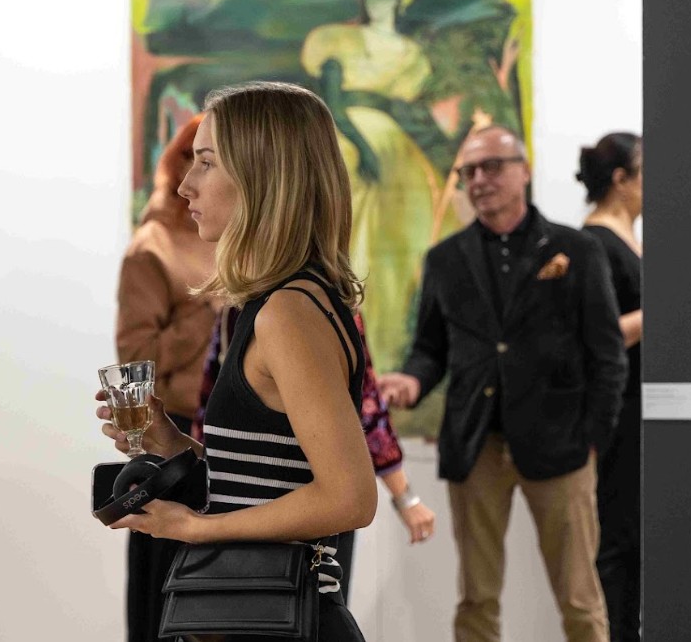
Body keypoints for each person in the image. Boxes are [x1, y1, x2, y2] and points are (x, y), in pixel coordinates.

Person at [97, 81, 377, 640]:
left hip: (279, 621)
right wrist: (175, 445)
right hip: (258, 616)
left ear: (262, 176)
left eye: (206, 163)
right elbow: (270, 478)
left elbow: (350, 497)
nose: (185, 184)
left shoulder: (288, 312)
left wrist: (196, 529)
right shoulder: (272, 304)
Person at [380, 125, 627, 642]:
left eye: (492, 166)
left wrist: (594, 438)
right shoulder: (445, 259)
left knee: (580, 598)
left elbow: (607, 355)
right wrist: (412, 381)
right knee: (477, 597)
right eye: (469, 171)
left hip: (561, 445)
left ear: (524, 170)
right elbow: (430, 350)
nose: (479, 180)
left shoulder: (577, 250)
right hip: (477, 446)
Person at [194, 308, 437, 602]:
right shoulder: (314, 308)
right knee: (305, 608)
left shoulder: (250, 309)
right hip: (302, 512)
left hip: (252, 514)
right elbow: (366, 407)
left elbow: (208, 408)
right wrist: (405, 497)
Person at [301, 0, 458, 381]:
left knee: (402, 243)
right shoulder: (339, 41)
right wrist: (363, 147)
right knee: (355, 239)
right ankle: (347, 347)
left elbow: (411, 110)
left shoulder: (409, 55)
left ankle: (391, 353)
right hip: (350, 143)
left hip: (395, 147)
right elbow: (331, 103)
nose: (377, 2)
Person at [115, 114, 220, 642]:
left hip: (220, 432)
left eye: (208, 161)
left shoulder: (227, 238)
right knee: (166, 598)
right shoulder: (152, 246)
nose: (194, 177)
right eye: (191, 159)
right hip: (173, 433)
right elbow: (135, 359)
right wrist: (207, 313)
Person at [578, 132, 643, 642]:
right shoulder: (595, 244)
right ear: (621, 179)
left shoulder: (628, 239)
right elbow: (596, 336)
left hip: (641, 408)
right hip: (616, 412)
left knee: (634, 537)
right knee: (617, 539)